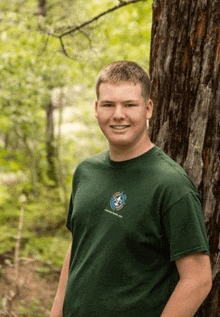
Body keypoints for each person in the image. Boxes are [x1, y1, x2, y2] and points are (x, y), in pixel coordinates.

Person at [50, 61, 212, 317]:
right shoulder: (86, 172)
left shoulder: (170, 184)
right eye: (108, 104)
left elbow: (198, 279)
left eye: (129, 104)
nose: (118, 114)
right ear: (96, 109)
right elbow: (79, 248)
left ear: (148, 108)